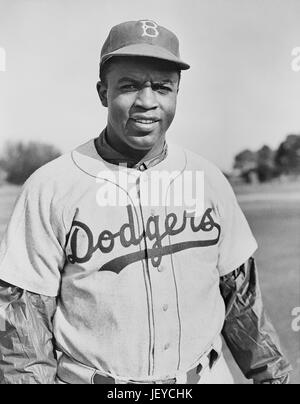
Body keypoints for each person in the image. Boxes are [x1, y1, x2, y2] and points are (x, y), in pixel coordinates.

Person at [0, 20, 291, 384]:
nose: (147, 102)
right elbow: (23, 333)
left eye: (162, 87)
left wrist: (274, 378)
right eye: (130, 85)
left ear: (176, 94)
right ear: (102, 92)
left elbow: (243, 304)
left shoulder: (208, 180)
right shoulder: (51, 187)